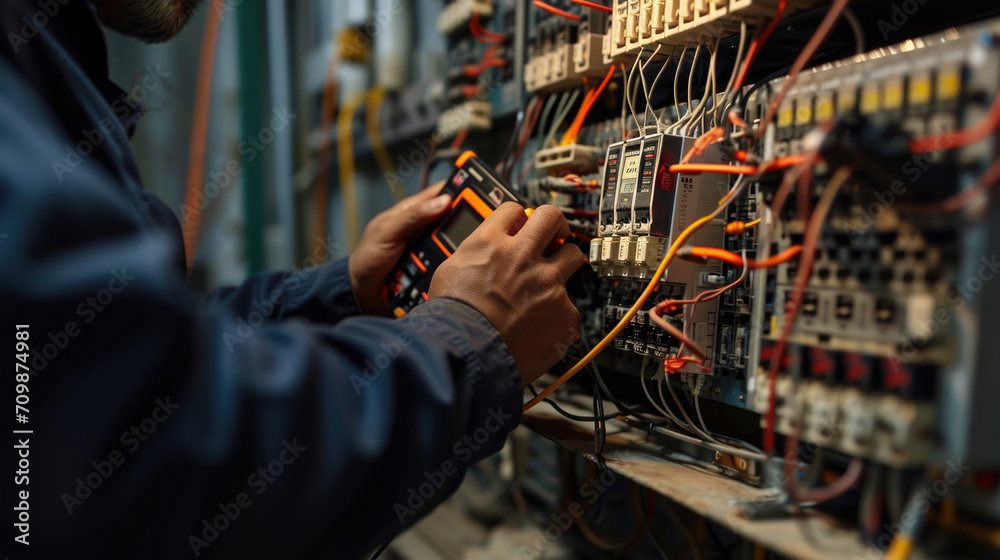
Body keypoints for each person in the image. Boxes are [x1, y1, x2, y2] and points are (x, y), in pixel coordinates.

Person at [0, 0, 583, 557]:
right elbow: (156, 449)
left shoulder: (43, 63)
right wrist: (466, 339)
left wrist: (343, 292)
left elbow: (137, 353)